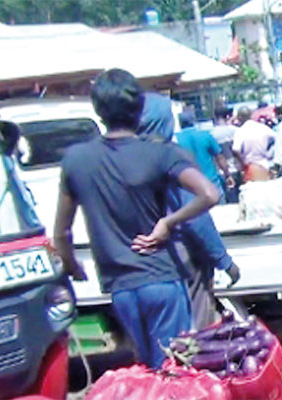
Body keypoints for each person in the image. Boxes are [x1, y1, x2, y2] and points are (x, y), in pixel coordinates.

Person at [51, 70, 220, 368]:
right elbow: (209, 194)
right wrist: (168, 223)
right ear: (139, 108)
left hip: (120, 288)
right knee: (174, 371)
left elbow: (62, 233)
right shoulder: (160, 153)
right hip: (163, 279)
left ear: (98, 110)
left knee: (145, 369)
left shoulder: (76, 160)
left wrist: (72, 266)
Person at [137, 95, 241, 330]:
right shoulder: (168, 155)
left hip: (141, 260)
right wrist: (225, 261)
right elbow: (196, 216)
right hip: (180, 255)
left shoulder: (124, 158)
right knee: (198, 331)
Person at [178, 114, 232, 201]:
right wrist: (227, 175)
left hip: (190, 187)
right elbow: (220, 158)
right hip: (211, 183)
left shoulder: (176, 139)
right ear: (194, 121)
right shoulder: (206, 135)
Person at [232, 107, 275, 183]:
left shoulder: (240, 131)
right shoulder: (263, 128)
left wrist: (243, 163)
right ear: (251, 115)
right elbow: (276, 138)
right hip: (264, 165)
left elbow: (235, 149)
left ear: (239, 117)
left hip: (249, 167)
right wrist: (270, 153)